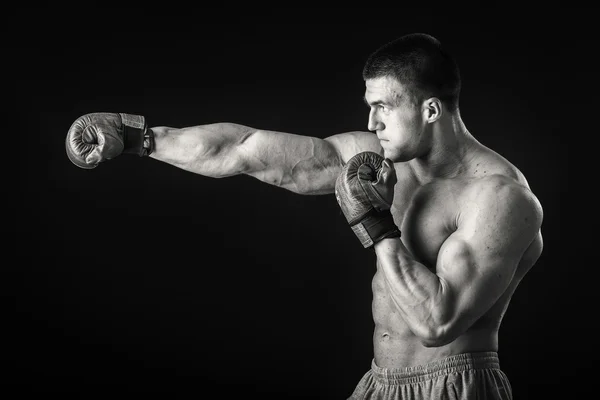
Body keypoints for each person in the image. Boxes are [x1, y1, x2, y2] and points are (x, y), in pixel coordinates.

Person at [65, 33, 544, 399]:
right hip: (381, 381)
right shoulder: (374, 158)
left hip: (453, 387)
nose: (372, 122)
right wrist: (139, 138)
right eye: (369, 107)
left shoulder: (500, 198)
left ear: (432, 109)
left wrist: (374, 223)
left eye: (382, 107)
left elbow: (437, 322)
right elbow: (244, 149)